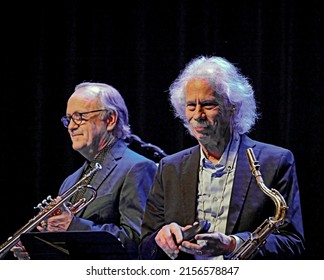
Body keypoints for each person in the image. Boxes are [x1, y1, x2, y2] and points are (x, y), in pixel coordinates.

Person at [139, 56, 305, 260]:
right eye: (191, 105)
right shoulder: (170, 167)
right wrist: (160, 237)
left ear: (232, 107)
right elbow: (145, 245)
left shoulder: (276, 161)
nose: (198, 115)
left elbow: (292, 243)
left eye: (208, 105)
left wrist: (232, 244)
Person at [11, 82, 157, 260]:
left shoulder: (137, 168)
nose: (71, 126)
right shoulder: (70, 181)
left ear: (110, 120)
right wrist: (37, 251)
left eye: (79, 116)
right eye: (68, 119)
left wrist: (74, 225)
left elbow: (139, 243)